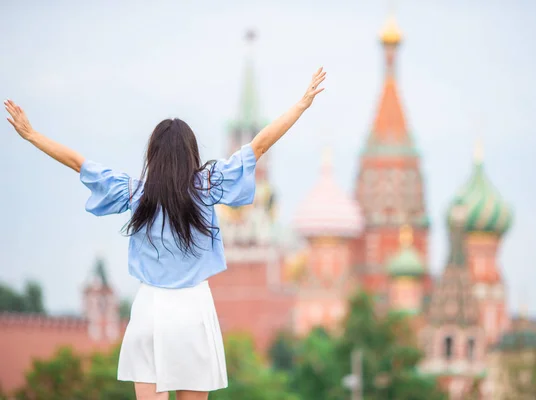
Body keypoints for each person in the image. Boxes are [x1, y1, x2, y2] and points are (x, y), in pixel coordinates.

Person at [4, 67, 326, 400]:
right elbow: (259, 146)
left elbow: (78, 163)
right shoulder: (207, 186)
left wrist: (32, 135)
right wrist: (301, 105)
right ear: (192, 154)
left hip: (150, 309)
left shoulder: (136, 193)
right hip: (194, 309)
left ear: (153, 155)